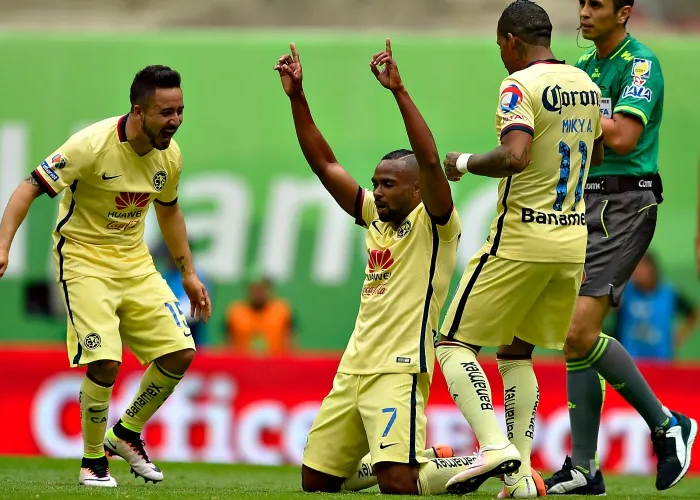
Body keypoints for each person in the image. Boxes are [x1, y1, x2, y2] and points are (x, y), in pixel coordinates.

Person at [0, 65, 211, 488]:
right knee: (106, 359)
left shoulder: (169, 156)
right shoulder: (91, 145)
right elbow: (30, 185)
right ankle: (91, 461)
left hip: (135, 263)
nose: (174, 121)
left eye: (180, 111)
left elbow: (169, 209)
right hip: (82, 261)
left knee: (180, 352)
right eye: (165, 113)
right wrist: (0, 247)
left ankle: (125, 433)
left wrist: (188, 273)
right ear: (138, 111)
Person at [274, 39, 481, 495]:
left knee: (398, 482)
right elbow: (325, 164)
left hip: (399, 368)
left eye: (388, 184)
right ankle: (435, 460)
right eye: (375, 184)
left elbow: (429, 160)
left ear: (417, 190)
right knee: (317, 481)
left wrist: (399, 92)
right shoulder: (374, 217)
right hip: (354, 367)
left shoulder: (436, 222)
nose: (378, 191)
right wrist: (298, 98)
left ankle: (494, 462)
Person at [435, 0, 604, 496]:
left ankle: (494, 447)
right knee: (516, 352)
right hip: (572, 239)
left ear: (512, 40)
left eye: (500, 47)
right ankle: (523, 477)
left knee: (452, 344)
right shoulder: (587, 86)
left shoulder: (519, 86)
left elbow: (515, 155)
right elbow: (595, 150)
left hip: (522, 236)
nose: (501, 57)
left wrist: (462, 162)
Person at [544, 0, 697, 494]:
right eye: (581, 4)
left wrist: (576, 108)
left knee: (578, 332)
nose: (584, 13)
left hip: (627, 205)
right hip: (584, 202)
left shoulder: (641, 65)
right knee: (575, 343)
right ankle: (585, 467)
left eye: (597, 4)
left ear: (625, 12)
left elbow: (625, 139)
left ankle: (668, 423)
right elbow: (590, 141)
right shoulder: (585, 68)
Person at [614, 252, 698, 361]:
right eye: (634, 267)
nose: (637, 271)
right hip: (630, 361)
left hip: (661, 361)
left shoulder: (669, 293)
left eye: (641, 266)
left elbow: (693, 312)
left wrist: (678, 337)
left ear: (652, 268)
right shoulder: (624, 292)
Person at [224, 275, 295, 355]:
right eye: (255, 288)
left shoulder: (282, 311)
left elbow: (290, 345)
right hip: (243, 364)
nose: (259, 292)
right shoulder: (236, 312)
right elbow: (228, 346)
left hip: (275, 364)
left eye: (262, 288)